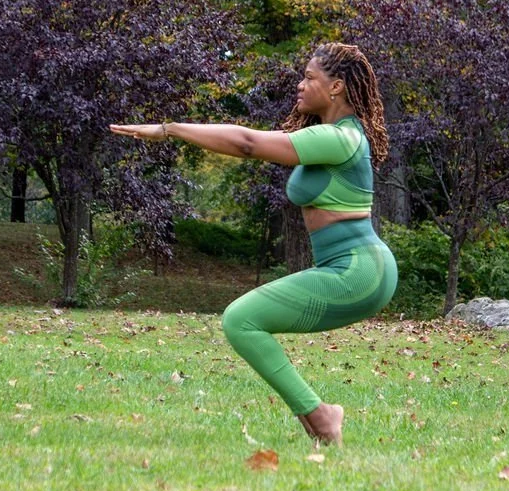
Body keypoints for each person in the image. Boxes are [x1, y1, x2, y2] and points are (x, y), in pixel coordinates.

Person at [109, 43, 398, 445]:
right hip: (354, 267)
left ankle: (322, 417)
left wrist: (169, 130)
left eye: (309, 78)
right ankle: (318, 418)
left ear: (336, 87)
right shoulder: (329, 137)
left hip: (359, 270)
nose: (300, 85)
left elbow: (247, 143)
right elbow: (256, 143)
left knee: (241, 320)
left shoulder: (341, 139)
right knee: (243, 321)